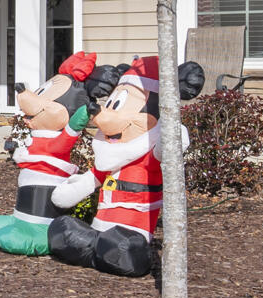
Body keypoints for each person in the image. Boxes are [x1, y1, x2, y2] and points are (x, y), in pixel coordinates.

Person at [46, 55, 205, 278]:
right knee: (62, 229)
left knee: (123, 248)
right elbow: (90, 179)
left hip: (130, 233)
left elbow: (166, 149)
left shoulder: (149, 153)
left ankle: (105, 251)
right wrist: (68, 193)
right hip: (100, 229)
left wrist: (173, 132)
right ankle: (97, 249)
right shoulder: (111, 158)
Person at [0, 52, 113, 255]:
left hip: (43, 217)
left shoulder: (58, 141)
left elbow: (69, 133)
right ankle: (20, 220)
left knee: (22, 226)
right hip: (23, 205)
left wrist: (82, 116)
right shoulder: (37, 137)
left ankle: (37, 231)